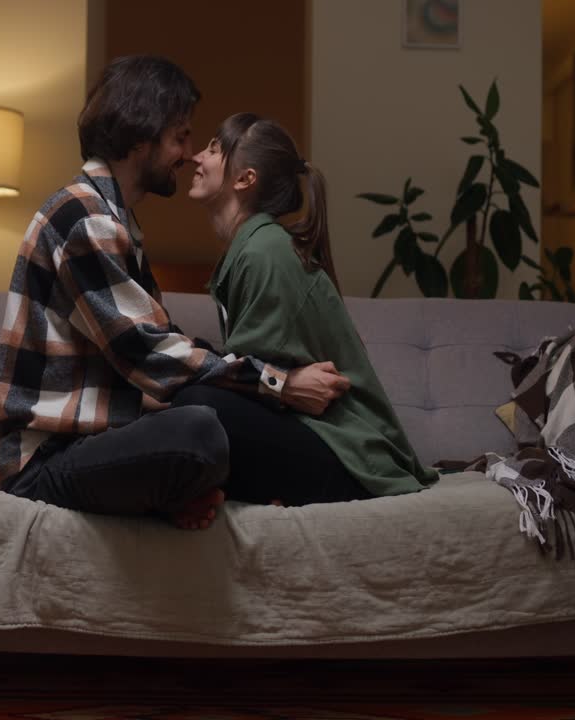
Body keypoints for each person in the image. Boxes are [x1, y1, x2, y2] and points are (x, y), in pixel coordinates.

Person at [0, 57, 351, 530]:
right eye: (181, 136)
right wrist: (281, 383)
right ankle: (194, 488)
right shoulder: (85, 219)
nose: (188, 153)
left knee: (204, 414)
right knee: (197, 431)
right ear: (142, 137)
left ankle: (181, 491)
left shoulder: (115, 221)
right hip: (38, 463)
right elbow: (152, 355)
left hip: (85, 444)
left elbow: (162, 350)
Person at [172, 112, 438, 506]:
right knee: (190, 406)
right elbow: (252, 372)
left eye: (213, 149)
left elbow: (244, 378)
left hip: (349, 456)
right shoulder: (254, 248)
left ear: (244, 178)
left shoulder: (264, 252)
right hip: (312, 433)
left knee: (197, 405)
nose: (196, 157)